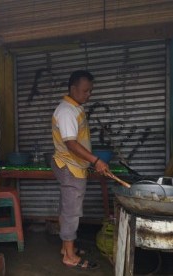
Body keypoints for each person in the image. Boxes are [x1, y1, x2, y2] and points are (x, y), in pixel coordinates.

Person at [51, 70, 113, 270]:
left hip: (73, 166)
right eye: (86, 91)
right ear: (73, 89)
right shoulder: (67, 111)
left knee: (66, 208)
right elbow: (70, 143)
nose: (89, 95)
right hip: (70, 167)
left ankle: (65, 247)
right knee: (71, 212)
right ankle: (69, 256)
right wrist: (96, 161)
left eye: (90, 91)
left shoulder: (75, 108)